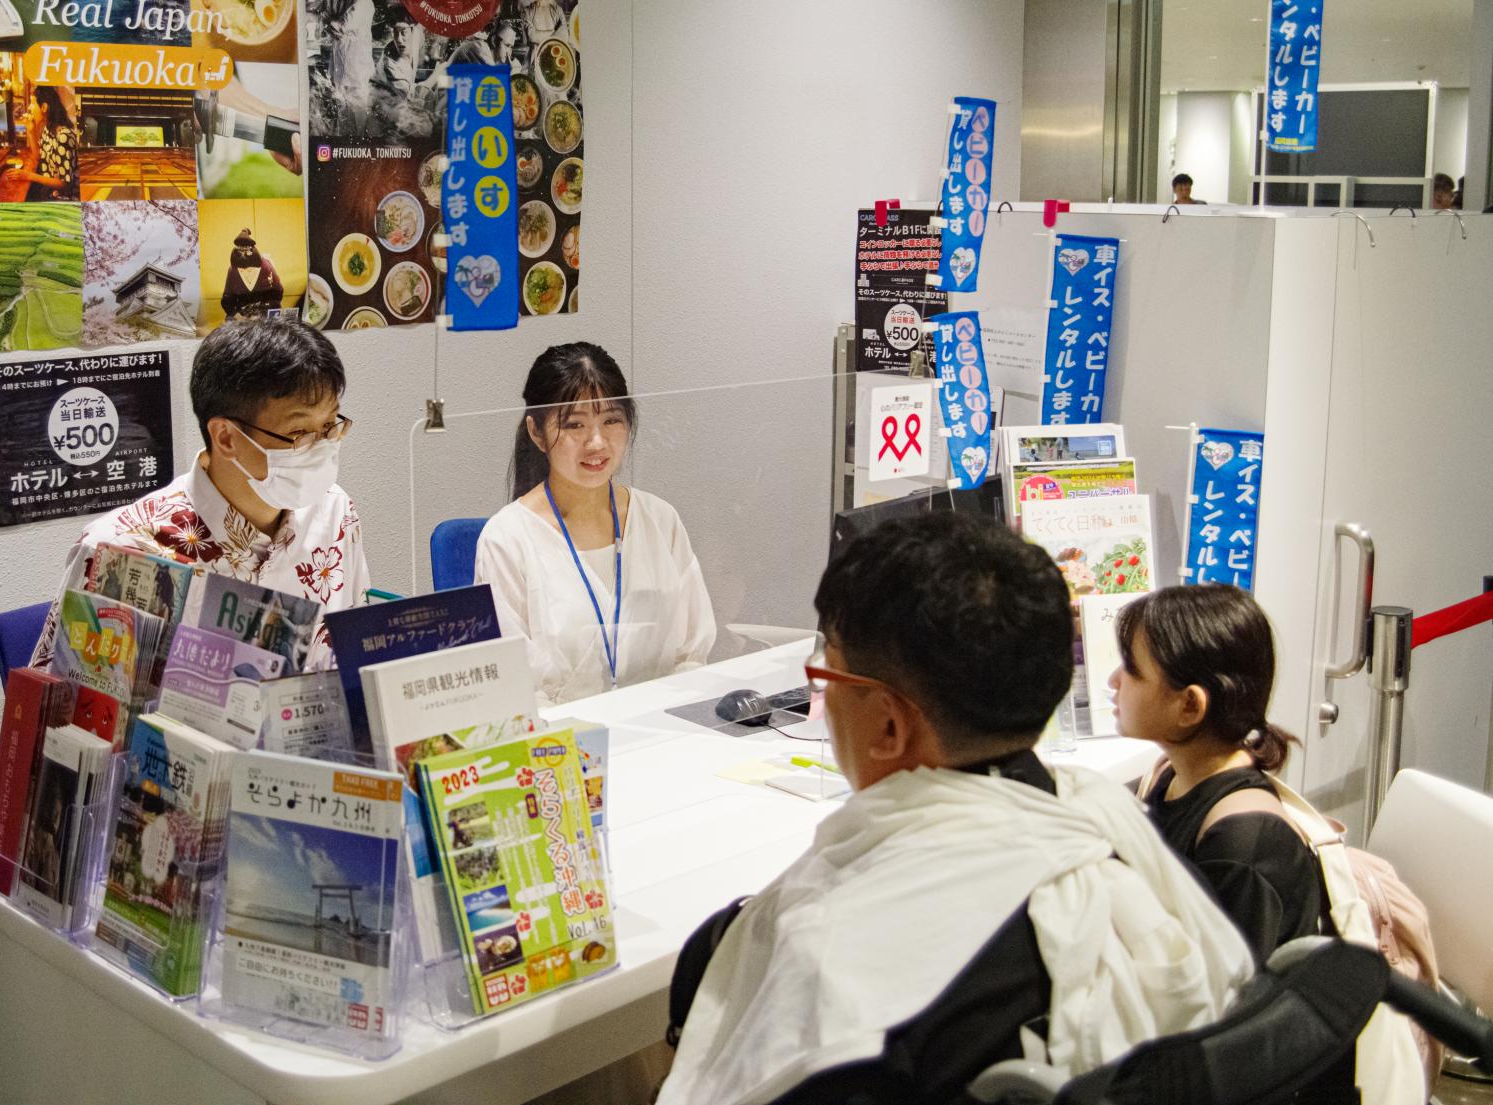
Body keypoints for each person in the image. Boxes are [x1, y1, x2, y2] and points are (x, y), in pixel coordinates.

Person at [658, 513, 1253, 1105]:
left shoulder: (838, 964)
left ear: (889, 724)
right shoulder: (1105, 818)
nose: (823, 695)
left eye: (827, 676)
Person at [31, 318, 368, 671]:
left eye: (330, 426)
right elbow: (57, 716)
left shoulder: (335, 513)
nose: (322, 447)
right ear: (225, 437)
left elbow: (358, 658)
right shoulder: (119, 549)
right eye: (300, 431)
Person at [472, 343, 715, 706]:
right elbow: (514, 688)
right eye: (574, 425)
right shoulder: (507, 539)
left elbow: (691, 656)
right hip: (560, 746)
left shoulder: (660, 519)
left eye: (611, 420)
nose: (597, 442)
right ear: (537, 433)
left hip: (663, 732)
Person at [1107, 585, 1322, 958]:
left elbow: (1228, 999)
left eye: (1131, 669)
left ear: (1189, 705)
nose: (1114, 680)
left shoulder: (1244, 841)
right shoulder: (1169, 776)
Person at [12, 85, 79, 201]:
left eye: (33, 103)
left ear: (44, 107)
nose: (29, 108)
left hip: (64, 199)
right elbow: (38, 157)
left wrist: (28, 175)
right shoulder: (49, 129)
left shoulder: (64, 136)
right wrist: (31, 131)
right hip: (50, 193)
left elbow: (65, 184)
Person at [220, 228, 285, 319]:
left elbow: (277, 293)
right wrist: (236, 315)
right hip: (242, 312)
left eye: (250, 270)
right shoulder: (232, 270)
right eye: (242, 270)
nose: (246, 273)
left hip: (264, 310)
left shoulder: (266, 267)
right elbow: (227, 299)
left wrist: (263, 313)